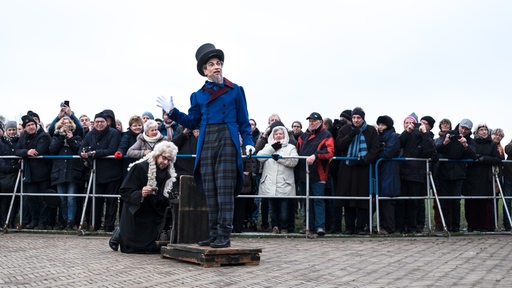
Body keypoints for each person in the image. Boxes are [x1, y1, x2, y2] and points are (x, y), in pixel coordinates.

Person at [156, 43, 254, 248]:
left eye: (219, 63)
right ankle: (212, 233)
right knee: (210, 189)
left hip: (227, 139)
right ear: (204, 70)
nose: (216, 66)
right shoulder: (198, 95)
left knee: (225, 189)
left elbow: (244, 121)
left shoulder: (235, 90)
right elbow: (192, 122)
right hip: (207, 139)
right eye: (211, 64)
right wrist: (172, 111)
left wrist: (249, 142)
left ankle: (224, 234)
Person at [109, 141, 178, 253]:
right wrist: (141, 193)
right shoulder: (139, 168)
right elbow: (125, 191)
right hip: (138, 210)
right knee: (136, 248)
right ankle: (120, 232)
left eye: (169, 160)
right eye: (164, 158)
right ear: (157, 154)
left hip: (154, 211)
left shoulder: (169, 174)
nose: (166, 162)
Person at [335, 107, 379, 234]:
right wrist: (352, 134)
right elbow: (339, 145)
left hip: (363, 169)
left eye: (358, 117)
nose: (356, 120)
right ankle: (349, 227)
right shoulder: (345, 130)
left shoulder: (371, 131)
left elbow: (375, 149)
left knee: (362, 199)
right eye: (354, 117)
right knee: (347, 199)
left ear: (363, 118)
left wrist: (364, 160)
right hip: (347, 169)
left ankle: (361, 227)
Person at [80, 112, 122, 232]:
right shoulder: (90, 134)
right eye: (97, 122)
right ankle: (95, 225)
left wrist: (95, 153)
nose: (99, 124)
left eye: (102, 122)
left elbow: (112, 149)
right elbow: (82, 147)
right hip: (95, 172)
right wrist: (82, 154)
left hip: (112, 172)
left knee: (111, 201)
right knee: (96, 200)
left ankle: (109, 227)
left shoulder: (114, 133)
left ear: (106, 122)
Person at [295, 112, 334, 237]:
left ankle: (320, 226)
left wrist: (316, 155)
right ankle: (308, 225)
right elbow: (297, 150)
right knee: (306, 201)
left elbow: (329, 152)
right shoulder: (303, 136)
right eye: (310, 121)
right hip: (303, 173)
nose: (311, 123)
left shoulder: (326, 135)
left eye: (314, 121)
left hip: (318, 173)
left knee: (318, 200)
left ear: (320, 122)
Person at [435, 118, 477, 232]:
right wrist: (445, 143)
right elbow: (436, 149)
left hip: (459, 175)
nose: (463, 131)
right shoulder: (449, 135)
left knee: (456, 201)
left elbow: (474, 156)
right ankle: (445, 226)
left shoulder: (470, 141)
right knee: (444, 201)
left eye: (466, 129)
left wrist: (465, 145)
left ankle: (455, 226)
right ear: (459, 126)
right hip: (444, 174)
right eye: (462, 128)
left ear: (469, 131)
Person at [396, 113, 436, 234]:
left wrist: (424, 133)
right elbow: (398, 145)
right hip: (403, 172)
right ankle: (401, 226)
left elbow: (429, 150)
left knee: (414, 202)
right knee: (402, 201)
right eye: (406, 123)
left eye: (411, 122)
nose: (409, 125)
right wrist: (407, 132)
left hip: (417, 173)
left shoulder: (424, 135)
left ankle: (414, 226)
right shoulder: (405, 134)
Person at [257, 125, 298, 234]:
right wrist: (272, 148)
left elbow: (294, 161)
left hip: (284, 183)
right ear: (273, 136)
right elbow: (260, 157)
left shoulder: (290, 147)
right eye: (276, 134)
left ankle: (284, 227)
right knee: (272, 208)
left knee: (284, 208)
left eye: (280, 134)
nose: (278, 136)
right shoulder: (268, 146)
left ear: (284, 135)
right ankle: (274, 226)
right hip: (270, 182)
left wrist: (280, 160)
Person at [15, 115, 52, 229]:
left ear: (36, 125)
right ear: (25, 128)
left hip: (43, 174)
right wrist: (27, 152)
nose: (31, 127)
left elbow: (39, 151)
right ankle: (34, 221)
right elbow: (17, 150)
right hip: (29, 174)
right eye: (28, 125)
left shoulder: (44, 136)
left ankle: (42, 222)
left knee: (43, 200)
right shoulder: (23, 137)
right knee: (31, 199)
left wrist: (28, 152)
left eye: (32, 125)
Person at [462, 123, 500, 232]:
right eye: (481, 129)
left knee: (486, 203)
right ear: (477, 131)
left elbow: (497, 159)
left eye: (485, 130)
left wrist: (484, 159)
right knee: (471, 202)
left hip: (485, 177)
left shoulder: (492, 144)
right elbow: (467, 154)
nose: (484, 131)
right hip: (472, 176)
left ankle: (486, 226)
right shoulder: (471, 142)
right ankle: (472, 225)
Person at [48, 116, 83, 230]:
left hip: (72, 172)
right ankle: (64, 220)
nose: (66, 126)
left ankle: (71, 221)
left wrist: (71, 139)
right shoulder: (56, 137)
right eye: (64, 124)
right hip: (59, 172)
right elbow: (52, 150)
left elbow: (79, 150)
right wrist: (60, 137)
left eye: (68, 124)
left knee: (71, 198)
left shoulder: (77, 137)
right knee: (62, 199)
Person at [375, 115, 400, 234]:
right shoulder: (380, 136)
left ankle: (389, 227)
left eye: (382, 124)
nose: (380, 127)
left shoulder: (393, 136)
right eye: (379, 124)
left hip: (389, 171)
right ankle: (382, 225)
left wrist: (378, 152)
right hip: (382, 171)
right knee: (381, 199)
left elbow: (389, 152)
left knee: (388, 199)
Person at [0, 121, 21, 229]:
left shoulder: (18, 141)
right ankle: (4, 222)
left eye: (14, 129)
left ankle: (11, 222)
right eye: (10, 130)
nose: (12, 132)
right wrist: (14, 167)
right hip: (5, 176)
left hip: (15, 176)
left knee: (15, 200)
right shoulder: (2, 143)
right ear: (6, 131)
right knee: (5, 200)